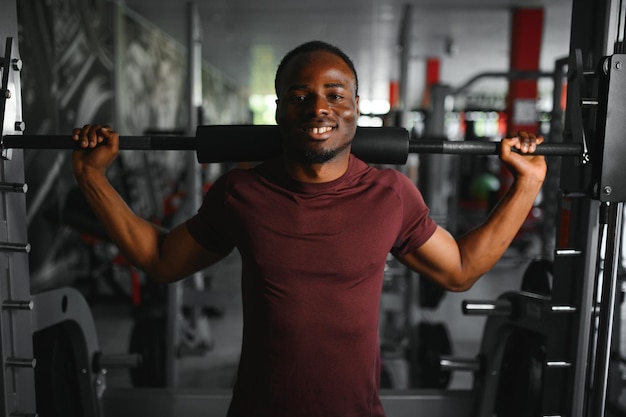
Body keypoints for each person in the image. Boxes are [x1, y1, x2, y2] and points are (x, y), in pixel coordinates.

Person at [71, 40, 546, 417]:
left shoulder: (391, 194)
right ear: (279, 111)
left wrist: (527, 186)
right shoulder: (242, 193)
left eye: (334, 95)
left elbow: (460, 269)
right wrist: (92, 178)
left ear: (355, 107)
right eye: (300, 96)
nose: (319, 108)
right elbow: (160, 259)